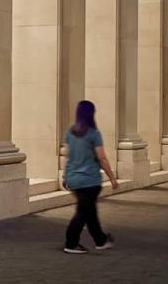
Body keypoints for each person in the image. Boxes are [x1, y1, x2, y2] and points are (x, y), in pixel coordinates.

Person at [62, 100, 120, 254]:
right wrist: (112, 178)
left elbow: (68, 157)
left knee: (89, 211)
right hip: (89, 180)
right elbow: (101, 158)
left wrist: (65, 177)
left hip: (73, 178)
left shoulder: (69, 133)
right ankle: (71, 243)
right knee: (83, 212)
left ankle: (100, 240)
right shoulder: (94, 134)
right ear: (91, 114)